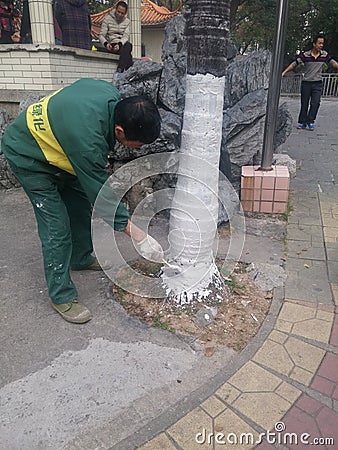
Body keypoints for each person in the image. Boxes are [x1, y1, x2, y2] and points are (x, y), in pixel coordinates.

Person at [1, 78, 164, 324]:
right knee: (57, 227)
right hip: (28, 155)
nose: (137, 149)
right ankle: (61, 296)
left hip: (61, 148)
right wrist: (137, 234)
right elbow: (99, 191)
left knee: (78, 205)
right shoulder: (87, 140)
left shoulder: (109, 96)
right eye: (137, 144)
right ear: (119, 131)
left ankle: (81, 257)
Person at [282, 35, 338, 131]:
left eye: (322, 43)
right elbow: (295, 63)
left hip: (317, 83)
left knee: (315, 103)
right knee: (305, 103)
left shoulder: (324, 55)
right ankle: (302, 122)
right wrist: (284, 72)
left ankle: (310, 121)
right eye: (319, 43)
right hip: (306, 83)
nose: (321, 45)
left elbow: (333, 63)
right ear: (314, 44)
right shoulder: (306, 55)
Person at [99, 1, 133, 72]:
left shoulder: (127, 22)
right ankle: (129, 71)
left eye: (122, 13)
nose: (119, 14)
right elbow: (102, 35)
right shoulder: (107, 19)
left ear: (125, 13)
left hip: (121, 45)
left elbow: (126, 36)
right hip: (111, 45)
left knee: (129, 46)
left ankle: (120, 68)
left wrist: (120, 45)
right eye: (118, 12)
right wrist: (106, 44)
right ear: (115, 9)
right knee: (128, 56)